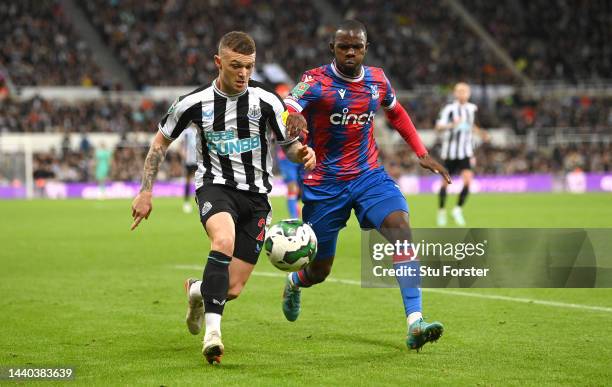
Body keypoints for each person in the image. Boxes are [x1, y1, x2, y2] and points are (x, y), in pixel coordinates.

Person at [130, 31, 315, 364]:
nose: (243, 73)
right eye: (235, 66)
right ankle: (213, 334)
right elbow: (160, 143)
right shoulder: (193, 103)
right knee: (223, 240)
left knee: (230, 289)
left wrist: (306, 155)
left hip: (258, 198)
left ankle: (197, 290)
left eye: (248, 66)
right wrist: (145, 191)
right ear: (219, 63)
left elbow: (292, 148)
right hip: (216, 188)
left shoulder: (268, 101)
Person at [281, 20, 451, 352]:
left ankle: (415, 322)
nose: (350, 52)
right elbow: (289, 105)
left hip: (367, 175)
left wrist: (422, 152)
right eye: (343, 46)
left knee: (401, 228)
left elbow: (397, 112)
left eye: (356, 47)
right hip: (324, 185)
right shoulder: (314, 81)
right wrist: (292, 117)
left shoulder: (377, 79)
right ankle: (294, 282)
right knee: (319, 270)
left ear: (365, 49)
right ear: (332, 48)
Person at [435, 82, 489, 227]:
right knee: (445, 184)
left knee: (467, 181)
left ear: (469, 94)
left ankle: (457, 210)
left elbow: (471, 125)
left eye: (465, 91)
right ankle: (441, 211)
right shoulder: (449, 109)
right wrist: (452, 125)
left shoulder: (471, 108)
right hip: (449, 153)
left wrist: (481, 133)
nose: (462, 94)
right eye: (459, 91)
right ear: (455, 93)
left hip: (465, 151)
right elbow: (438, 127)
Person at [276, 146, 301, 218]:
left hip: (302, 153)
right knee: (292, 187)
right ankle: (294, 218)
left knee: (301, 188)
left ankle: (295, 205)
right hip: (287, 158)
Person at [179, 126, 198, 213]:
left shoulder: (199, 129)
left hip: (199, 160)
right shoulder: (186, 132)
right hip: (189, 160)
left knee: (199, 181)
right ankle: (186, 203)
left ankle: (201, 203)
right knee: (188, 180)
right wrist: (183, 152)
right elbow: (182, 144)